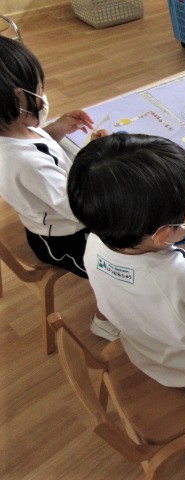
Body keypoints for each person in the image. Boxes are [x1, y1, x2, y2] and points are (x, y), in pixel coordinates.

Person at [67, 133, 185, 388]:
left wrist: (184, 237)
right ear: (162, 235)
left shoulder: (96, 239)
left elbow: (147, 257)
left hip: (144, 346)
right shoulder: (180, 276)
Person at [0, 36, 118, 341]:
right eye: (39, 89)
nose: (43, 96)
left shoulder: (15, 132)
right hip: (62, 238)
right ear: (19, 99)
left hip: (54, 215)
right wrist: (97, 158)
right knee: (117, 268)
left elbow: (38, 142)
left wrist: (57, 129)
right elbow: (78, 208)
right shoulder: (27, 163)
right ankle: (105, 321)